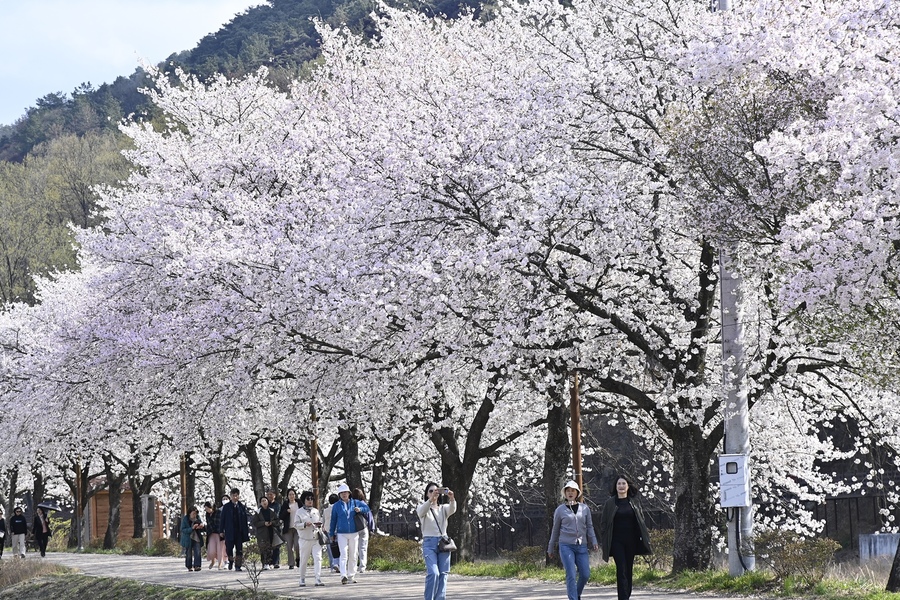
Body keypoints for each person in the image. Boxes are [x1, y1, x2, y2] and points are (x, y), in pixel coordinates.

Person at [600, 475, 652, 600]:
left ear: (628, 486)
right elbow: (603, 523)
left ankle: (626, 595)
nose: (621, 486)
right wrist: (605, 538)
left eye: (624, 483)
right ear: (615, 487)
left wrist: (643, 538)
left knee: (628, 569)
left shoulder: (634, 502)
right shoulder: (610, 503)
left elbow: (641, 521)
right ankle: (622, 597)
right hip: (616, 541)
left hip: (631, 541)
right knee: (621, 569)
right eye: (619, 484)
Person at [548, 480, 599, 600]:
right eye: (568, 491)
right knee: (571, 573)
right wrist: (550, 547)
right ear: (565, 493)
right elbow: (555, 530)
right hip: (566, 546)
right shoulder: (560, 510)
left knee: (585, 574)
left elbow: (589, 526)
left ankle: (576, 594)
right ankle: (573, 598)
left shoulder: (585, 508)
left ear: (577, 493)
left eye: (573, 491)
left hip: (582, 545)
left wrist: (594, 541)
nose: (570, 493)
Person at [417, 482, 457, 600]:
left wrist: (452, 498)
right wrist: (430, 500)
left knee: (443, 574)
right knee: (434, 573)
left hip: (443, 542)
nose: (434, 493)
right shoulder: (423, 508)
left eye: (436, 491)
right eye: (431, 491)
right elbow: (421, 512)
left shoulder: (443, 508)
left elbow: (452, 509)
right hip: (429, 543)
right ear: (426, 494)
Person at [329, 482, 370, 584]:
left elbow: (367, 508)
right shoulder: (336, 506)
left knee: (353, 554)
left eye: (346, 492)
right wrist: (331, 533)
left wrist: (360, 509)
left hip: (354, 532)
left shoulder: (355, 502)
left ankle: (351, 575)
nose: (344, 494)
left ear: (349, 493)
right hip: (341, 533)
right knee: (343, 554)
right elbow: (333, 520)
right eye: (342, 493)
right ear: (339, 495)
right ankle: (343, 575)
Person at [295, 490, 325, 587]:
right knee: (304, 560)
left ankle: (318, 578)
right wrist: (304, 524)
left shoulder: (316, 511)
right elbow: (296, 525)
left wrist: (320, 525)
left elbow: (320, 521)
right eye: (308, 499)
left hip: (316, 538)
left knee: (318, 558)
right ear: (304, 500)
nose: (310, 500)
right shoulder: (299, 512)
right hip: (304, 539)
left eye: (312, 499)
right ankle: (302, 578)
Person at [220, 488, 250, 571]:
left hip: (239, 531)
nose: (235, 497)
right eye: (233, 495)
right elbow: (222, 519)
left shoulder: (242, 506)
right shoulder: (226, 507)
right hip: (229, 530)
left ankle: (238, 565)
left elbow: (245, 519)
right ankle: (230, 560)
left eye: (236, 495)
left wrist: (245, 531)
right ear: (231, 496)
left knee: (239, 549)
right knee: (229, 548)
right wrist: (221, 530)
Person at [351, 488, 375, 574]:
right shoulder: (363, 504)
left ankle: (353, 566)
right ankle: (362, 566)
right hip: (363, 528)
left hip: (353, 529)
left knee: (354, 548)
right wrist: (371, 528)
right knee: (363, 547)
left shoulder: (350, 504)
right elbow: (369, 517)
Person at [254, 495, 278, 570]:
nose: (264, 502)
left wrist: (272, 522)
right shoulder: (258, 512)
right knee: (263, 548)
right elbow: (255, 523)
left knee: (270, 547)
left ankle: (269, 562)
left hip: (271, 531)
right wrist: (264, 523)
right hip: (262, 533)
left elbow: (277, 520)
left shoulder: (272, 510)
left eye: (265, 500)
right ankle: (264, 563)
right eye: (262, 501)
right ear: (260, 503)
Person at [279, 488, 301, 569]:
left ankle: (298, 558)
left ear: (295, 495)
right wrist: (286, 511)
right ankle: (291, 563)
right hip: (288, 528)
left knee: (297, 545)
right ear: (287, 496)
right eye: (290, 494)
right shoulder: (285, 504)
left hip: (298, 528)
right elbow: (280, 516)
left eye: (293, 494)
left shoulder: (299, 504)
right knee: (289, 546)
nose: (291, 496)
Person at [180, 506, 205, 572]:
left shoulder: (198, 518)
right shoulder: (185, 519)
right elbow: (183, 529)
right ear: (189, 513)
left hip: (196, 537)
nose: (194, 515)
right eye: (193, 513)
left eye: (195, 513)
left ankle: (197, 565)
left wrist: (201, 526)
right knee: (189, 553)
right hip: (188, 538)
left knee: (197, 551)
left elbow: (201, 526)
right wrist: (192, 528)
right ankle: (189, 566)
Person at [321, 493, 340, 572]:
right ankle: (338, 564)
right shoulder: (338, 509)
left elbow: (323, 521)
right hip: (338, 530)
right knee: (339, 547)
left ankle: (332, 565)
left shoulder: (325, 510)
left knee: (330, 548)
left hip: (328, 530)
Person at [204, 501, 225, 570]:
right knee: (211, 550)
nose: (206, 510)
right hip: (211, 533)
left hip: (219, 533)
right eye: (205, 509)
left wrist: (221, 532)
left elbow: (220, 523)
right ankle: (213, 561)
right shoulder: (207, 514)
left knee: (220, 550)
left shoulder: (218, 512)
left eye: (207, 509)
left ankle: (220, 564)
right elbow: (208, 524)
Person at [266, 488, 282, 569]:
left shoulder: (277, 505)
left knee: (276, 545)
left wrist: (272, 522)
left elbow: (277, 515)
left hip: (275, 526)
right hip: (266, 527)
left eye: (271, 494)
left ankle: (276, 562)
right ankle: (268, 562)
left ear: (274, 496)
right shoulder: (265, 504)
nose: (269, 496)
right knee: (268, 545)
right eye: (268, 494)